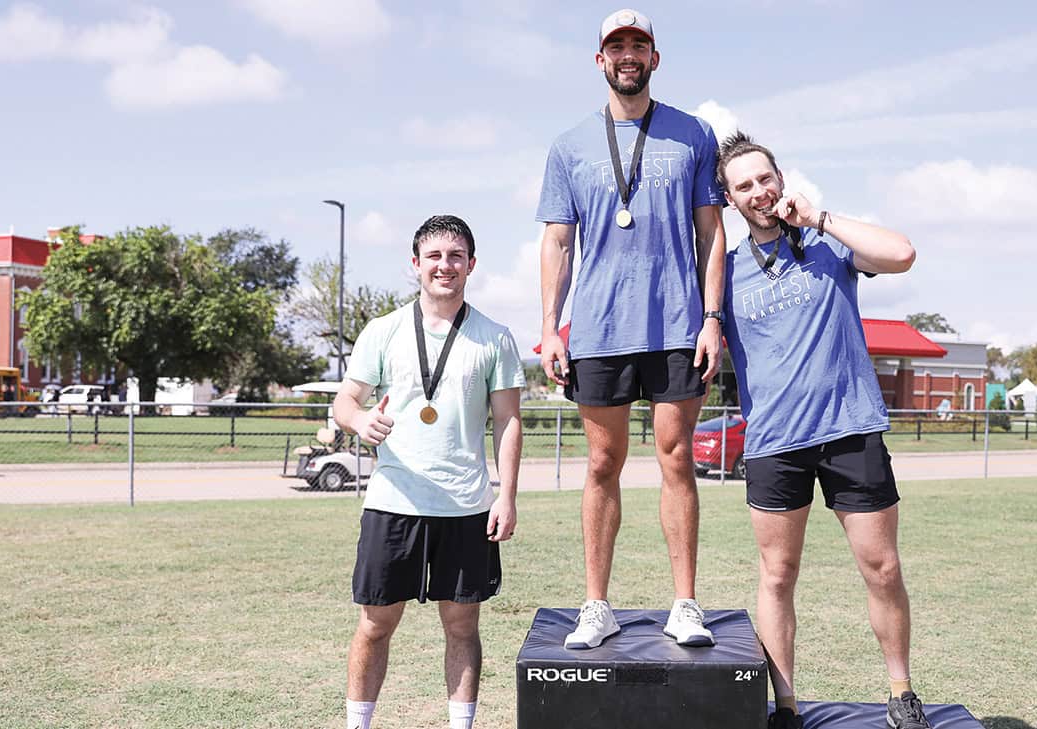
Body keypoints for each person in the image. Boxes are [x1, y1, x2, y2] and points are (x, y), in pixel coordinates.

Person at [714, 132, 933, 729]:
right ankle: (784, 705)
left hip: (850, 430)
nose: (758, 192)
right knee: (778, 576)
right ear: (729, 200)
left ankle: (900, 692)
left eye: (765, 179)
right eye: (743, 186)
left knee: (882, 568)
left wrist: (824, 218)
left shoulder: (826, 244)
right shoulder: (725, 275)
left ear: (781, 180)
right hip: (774, 444)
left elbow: (903, 253)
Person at [536, 8, 728, 649]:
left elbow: (711, 233)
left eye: (638, 44)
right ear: (599, 60)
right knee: (601, 463)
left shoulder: (694, 134)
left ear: (654, 57)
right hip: (597, 327)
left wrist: (711, 318)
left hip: (677, 324)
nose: (627, 54)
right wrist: (551, 327)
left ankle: (685, 604)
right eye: (615, 45)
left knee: (676, 459)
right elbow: (558, 242)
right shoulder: (568, 146)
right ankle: (596, 605)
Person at [333, 215, 526, 729]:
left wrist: (505, 495)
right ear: (416, 264)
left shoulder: (495, 337)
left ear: (471, 265)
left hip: (465, 505)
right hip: (393, 502)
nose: (446, 265)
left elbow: (507, 421)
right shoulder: (383, 331)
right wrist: (359, 420)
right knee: (375, 624)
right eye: (435, 256)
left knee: (462, 625)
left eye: (456, 256)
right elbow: (345, 402)